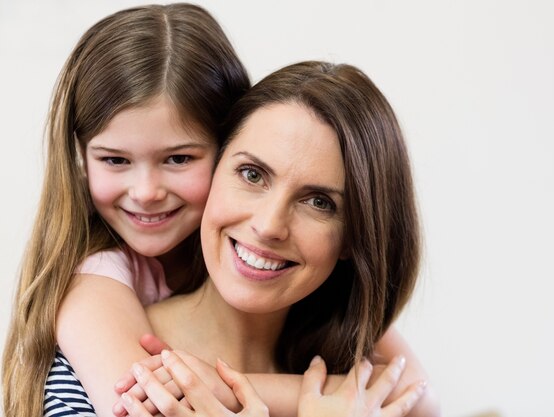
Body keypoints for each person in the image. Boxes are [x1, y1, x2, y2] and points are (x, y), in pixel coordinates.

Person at [115, 61, 439, 417]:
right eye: (252, 174)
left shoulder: (361, 402)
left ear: (353, 238)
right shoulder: (111, 359)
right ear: (211, 173)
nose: (269, 225)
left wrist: (232, 389)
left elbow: (421, 396)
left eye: (319, 202)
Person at [2, 4, 249, 417]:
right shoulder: (94, 275)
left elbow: (395, 380)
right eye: (115, 160)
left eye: (178, 159)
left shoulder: (254, 257)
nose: (146, 192)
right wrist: (318, 398)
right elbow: (147, 407)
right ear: (80, 157)